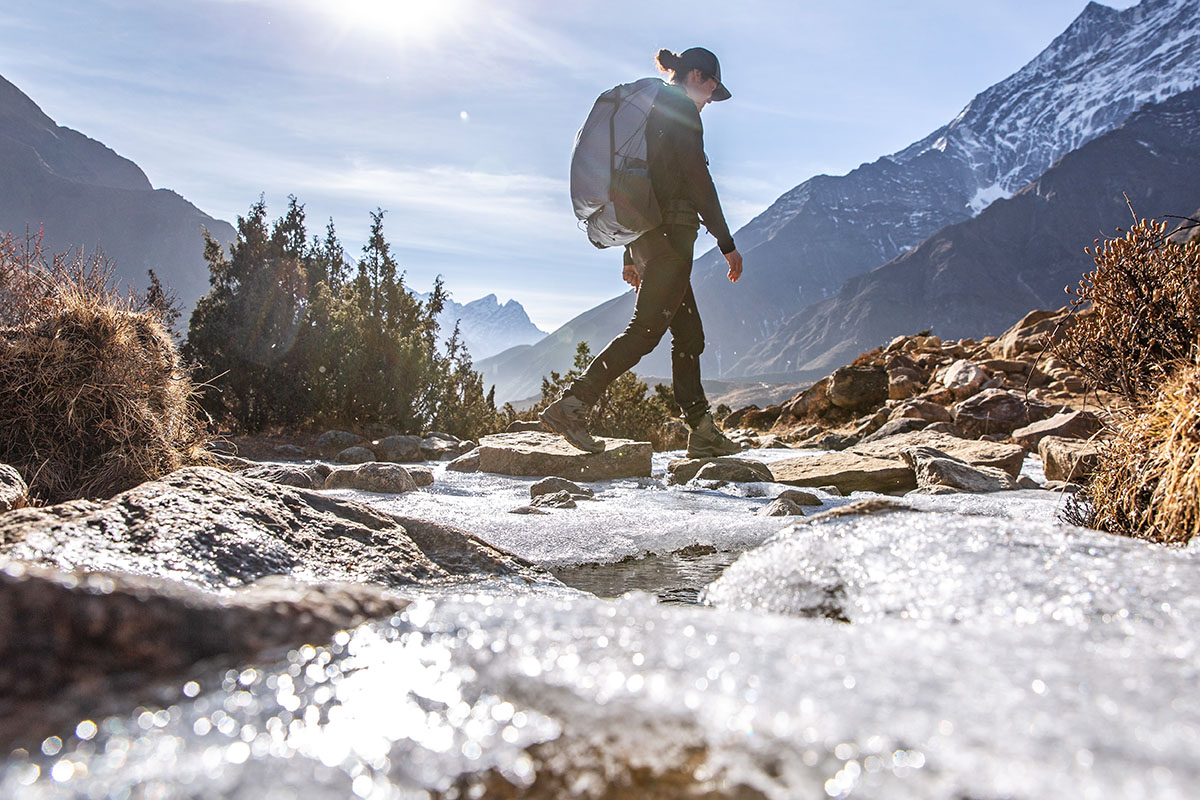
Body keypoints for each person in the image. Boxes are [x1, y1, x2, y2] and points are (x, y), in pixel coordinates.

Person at [541, 46, 744, 458]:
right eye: (712, 91)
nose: (710, 102)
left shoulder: (650, 107)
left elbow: (635, 181)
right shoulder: (680, 109)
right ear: (699, 78)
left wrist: (630, 253)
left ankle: (702, 431)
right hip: (671, 239)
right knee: (646, 330)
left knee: (689, 334)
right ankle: (573, 404)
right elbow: (696, 179)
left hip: (650, 236)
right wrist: (727, 243)